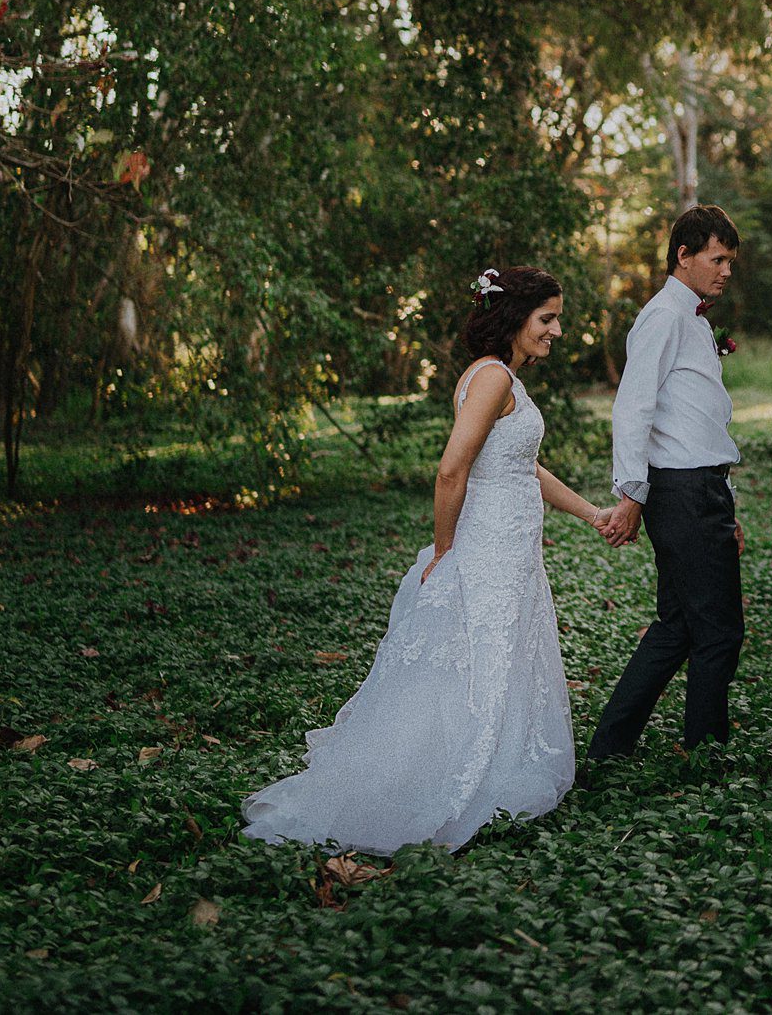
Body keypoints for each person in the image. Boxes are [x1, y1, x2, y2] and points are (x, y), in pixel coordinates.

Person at [243, 265, 612, 853]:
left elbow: (521, 468)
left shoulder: (502, 380)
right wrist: (444, 551)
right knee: (480, 658)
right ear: (515, 318)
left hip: (511, 548)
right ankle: (455, 776)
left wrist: (592, 513)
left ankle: (498, 759)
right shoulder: (492, 379)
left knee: (497, 654)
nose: (557, 331)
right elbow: (450, 470)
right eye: (548, 319)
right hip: (487, 547)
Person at [585, 204, 747, 758]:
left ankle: (610, 747)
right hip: (683, 493)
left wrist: (728, 503)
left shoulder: (692, 319)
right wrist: (631, 494)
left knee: (677, 626)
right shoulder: (664, 316)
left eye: (730, 261)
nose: (726, 270)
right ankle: (706, 755)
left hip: (701, 490)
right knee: (719, 631)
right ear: (684, 255)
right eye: (717, 259)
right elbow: (633, 408)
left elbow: (699, 422)